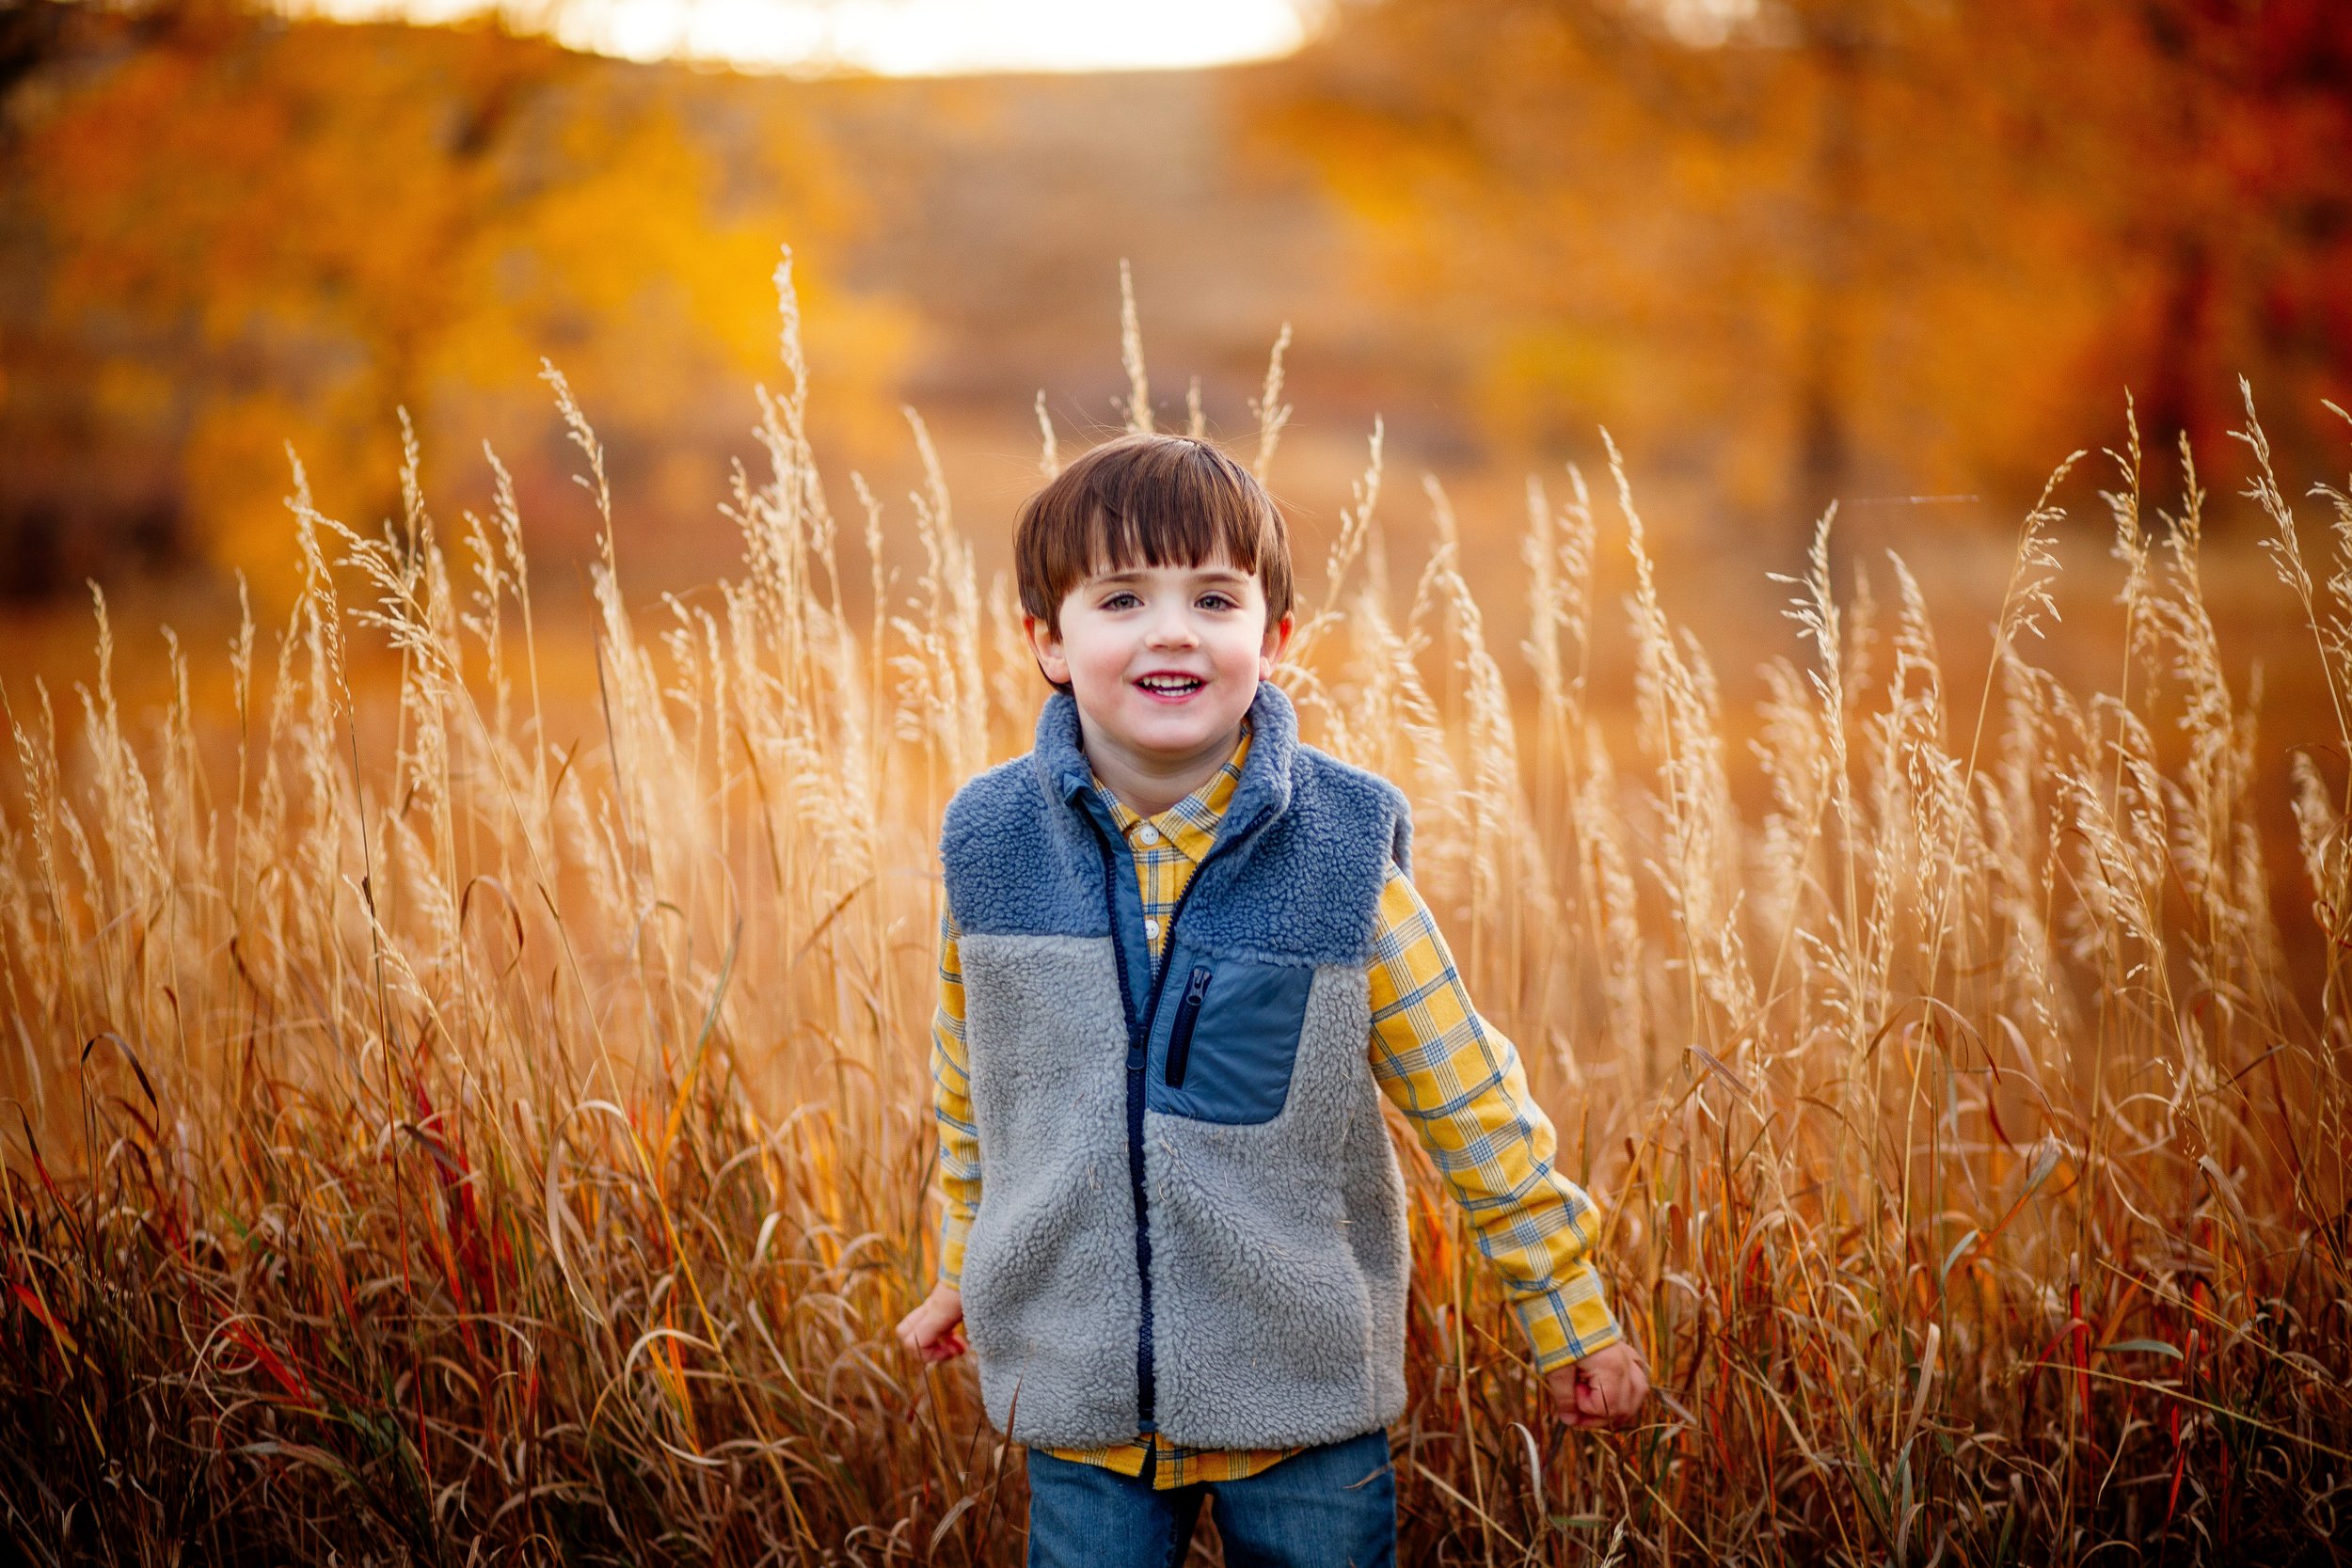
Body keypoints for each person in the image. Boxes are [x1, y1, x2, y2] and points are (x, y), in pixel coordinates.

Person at [895, 433, 1647, 1567]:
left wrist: (1568, 1313)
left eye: (1212, 595)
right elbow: (976, 1095)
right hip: (1080, 1399)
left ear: (1274, 636)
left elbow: (1471, 1102)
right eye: (1119, 597)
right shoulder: (995, 846)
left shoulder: (1339, 863)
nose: (1170, 630)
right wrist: (966, 1262)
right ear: (1047, 640)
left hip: (1301, 1405)